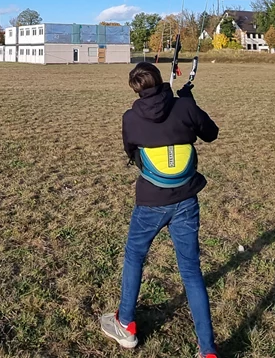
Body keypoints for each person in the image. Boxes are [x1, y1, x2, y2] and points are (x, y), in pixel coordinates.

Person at [100, 62, 220, 357]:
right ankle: (208, 350)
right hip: (186, 200)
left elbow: (131, 152)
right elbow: (210, 133)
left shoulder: (130, 118)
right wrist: (189, 102)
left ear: (135, 88)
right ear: (159, 80)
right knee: (191, 271)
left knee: (134, 256)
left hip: (151, 201)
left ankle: (125, 325)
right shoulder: (184, 107)